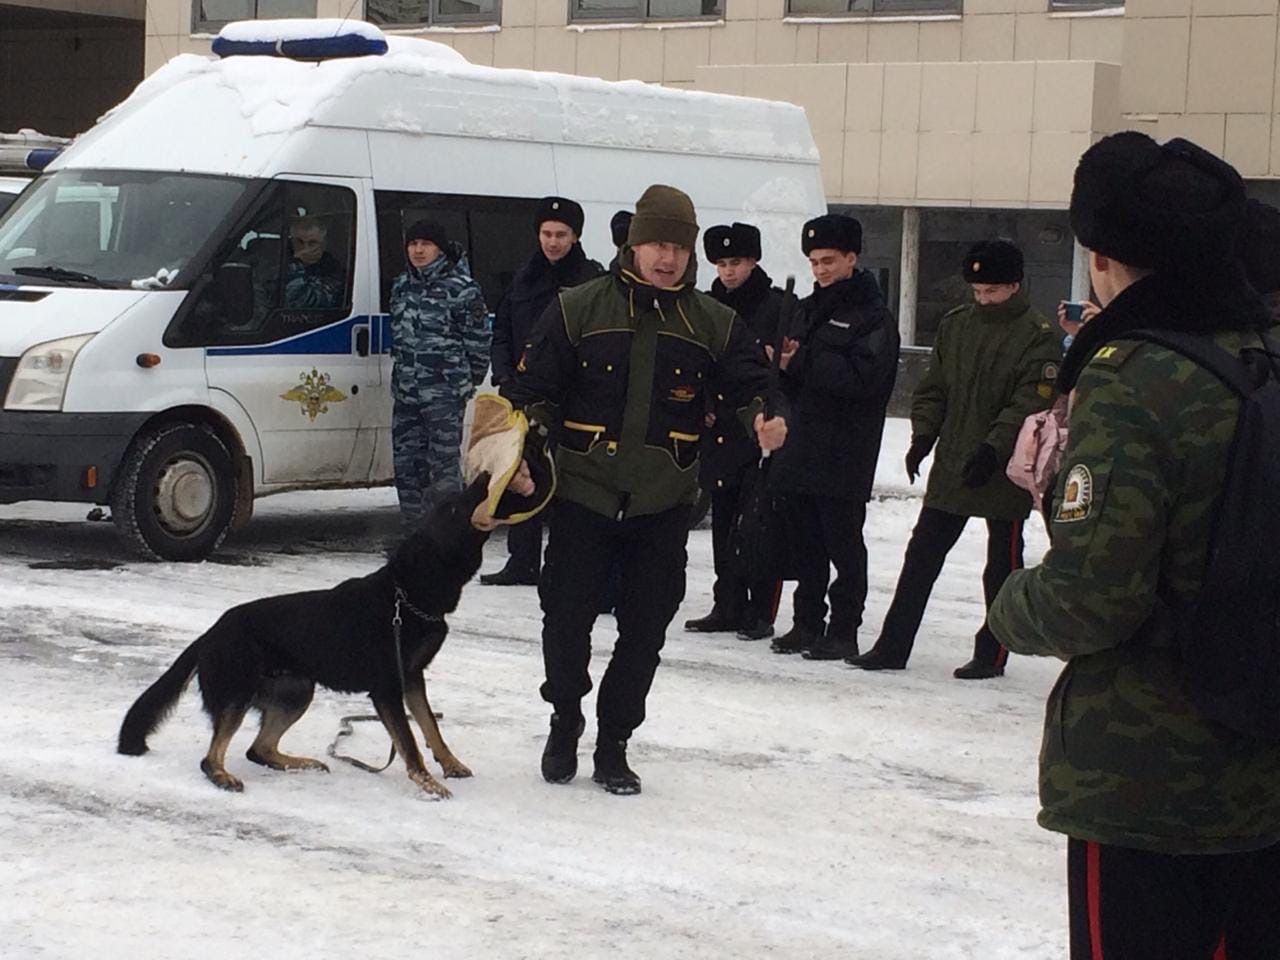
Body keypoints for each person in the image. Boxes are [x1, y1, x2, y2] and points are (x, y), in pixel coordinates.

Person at [989, 132, 1280, 960]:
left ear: (1104, 257)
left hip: (1149, 773)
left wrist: (1011, 606)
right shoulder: (1259, 356)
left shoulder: (1136, 375)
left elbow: (1093, 597)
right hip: (1260, 753)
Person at [500, 184, 788, 796]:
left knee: (644, 631)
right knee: (566, 622)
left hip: (663, 503)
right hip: (584, 496)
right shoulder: (579, 307)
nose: (669, 257)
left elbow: (751, 385)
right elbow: (533, 395)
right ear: (633, 245)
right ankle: (564, 719)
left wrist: (765, 413)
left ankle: (613, 744)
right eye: (658, 243)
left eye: (680, 247)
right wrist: (523, 453)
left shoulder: (712, 321)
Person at [849, 240, 1059, 679]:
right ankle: (892, 645)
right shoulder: (956, 325)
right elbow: (935, 386)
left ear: (1015, 286)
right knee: (921, 554)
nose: (983, 299)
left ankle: (992, 651)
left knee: (1002, 561)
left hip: (1002, 468)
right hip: (954, 461)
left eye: (992, 291)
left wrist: (991, 449)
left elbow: (1026, 404)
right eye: (978, 291)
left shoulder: (1037, 337)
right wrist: (923, 434)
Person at [768, 214, 899, 661]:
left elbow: (865, 379)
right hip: (801, 444)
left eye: (828, 261)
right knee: (806, 543)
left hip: (846, 449)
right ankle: (806, 623)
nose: (820, 270)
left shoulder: (873, 316)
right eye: (814, 261)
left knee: (843, 544)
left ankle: (844, 629)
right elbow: (789, 376)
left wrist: (799, 363)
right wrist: (779, 368)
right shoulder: (804, 309)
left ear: (851, 258)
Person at [481, 197, 604, 586]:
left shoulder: (590, 281)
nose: (552, 242)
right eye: (547, 234)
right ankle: (522, 560)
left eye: (561, 235)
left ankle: (565, 565)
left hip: (570, 396)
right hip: (523, 394)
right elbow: (501, 331)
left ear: (576, 236)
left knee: (568, 483)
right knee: (521, 473)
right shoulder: (523, 278)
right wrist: (504, 376)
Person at [684, 221, 792, 642]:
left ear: (754, 261)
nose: (729, 271)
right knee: (725, 519)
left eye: (737, 262)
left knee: (761, 523)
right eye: (722, 263)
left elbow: (786, 374)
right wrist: (703, 405)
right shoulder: (708, 307)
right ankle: (726, 602)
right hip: (720, 429)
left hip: (760, 428)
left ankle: (760, 609)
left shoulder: (777, 306)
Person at [389, 219, 490, 526]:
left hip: (444, 396)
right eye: (413, 244)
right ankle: (415, 535)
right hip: (407, 393)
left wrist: (461, 382)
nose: (418, 251)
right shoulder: (402, 286)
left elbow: (478, 344)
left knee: (443, 469)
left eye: (426, 244)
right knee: (407, 467)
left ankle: (450, 533)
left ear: (440, 249)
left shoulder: (463, 290)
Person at [284, 216, 345, 309]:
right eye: (299, 242)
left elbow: (305, 302)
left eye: (312, 243)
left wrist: (297, 266)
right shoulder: (280, 264)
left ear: (323, 245)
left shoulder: (333, 270)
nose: (305, 248)